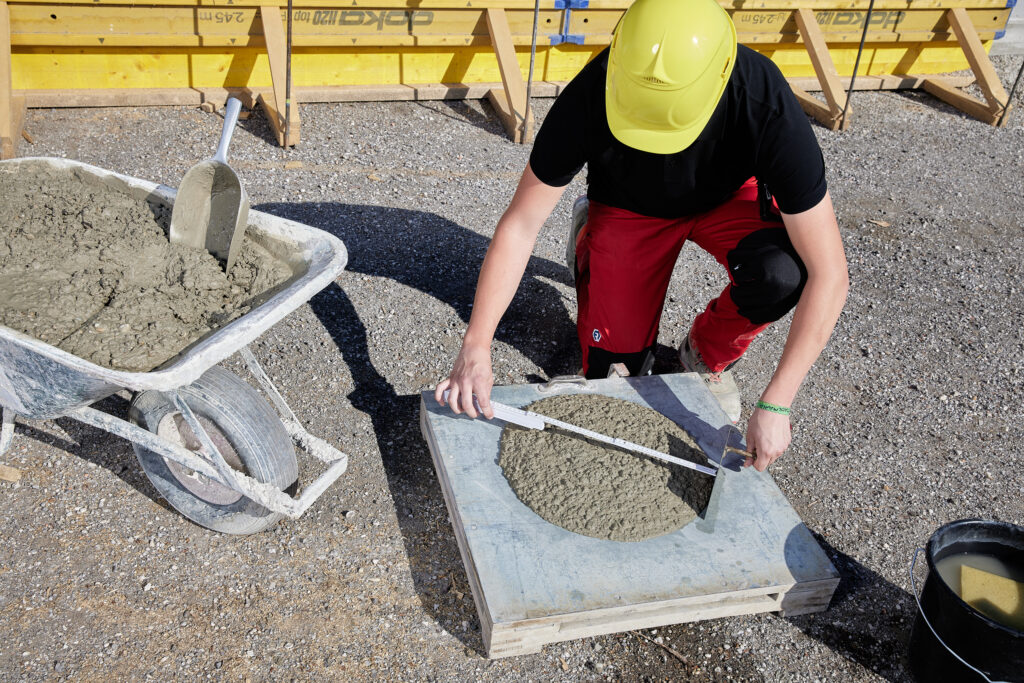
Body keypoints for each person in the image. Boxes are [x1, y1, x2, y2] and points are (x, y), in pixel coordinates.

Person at [435, 0, 848, 471]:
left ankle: (702, 355)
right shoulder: (592, 90)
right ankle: (593, 233)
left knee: (781, 273)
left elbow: (829, 273)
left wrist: (777, 403)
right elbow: (521, 224)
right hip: (630, 207)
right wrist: (476, 345)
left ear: (718, 78)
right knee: (616, 375)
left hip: (725, 199)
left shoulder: (761, 97)